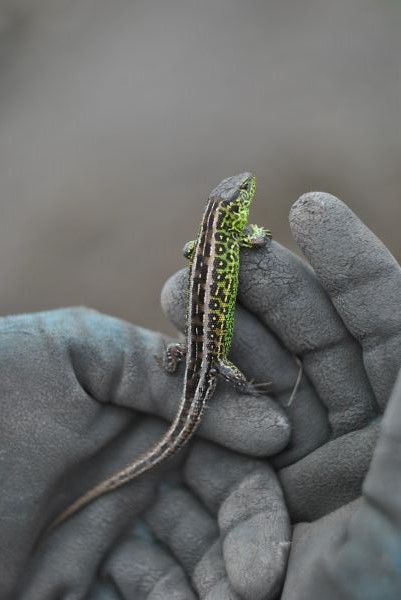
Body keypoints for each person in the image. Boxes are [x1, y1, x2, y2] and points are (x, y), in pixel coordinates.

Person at [1, 192, 400, 600]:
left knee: (190, 372)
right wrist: (259, 233)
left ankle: (187, 369)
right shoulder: (233, 238)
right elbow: (258, 240)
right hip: (210, 359)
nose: (248, 192)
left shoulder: (208, 242)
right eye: (243, 195)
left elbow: (189, 249)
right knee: (220, 378)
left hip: (195, 350)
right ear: (234, 212)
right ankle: (245, 388)